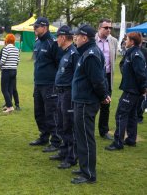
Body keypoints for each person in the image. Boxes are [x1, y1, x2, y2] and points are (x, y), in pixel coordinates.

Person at [71, 24, 111, 184]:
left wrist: (103, 96)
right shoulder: (87, 52)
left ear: (84, 37)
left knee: (86, 138)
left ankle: (88, 174)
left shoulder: (91, 55)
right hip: (82, 100)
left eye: (77, 36)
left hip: (86, 102)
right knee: (81, 137)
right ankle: (84, 167)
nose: (75, 38)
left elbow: (98, 80)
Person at [105, 32, 147, 151]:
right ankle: (131, 139)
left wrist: (144, 88)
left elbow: (141, 74)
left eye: (127, 39)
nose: (125, 42)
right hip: (131, 89)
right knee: (132, 115)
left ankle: (118, 142)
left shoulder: (136, 55)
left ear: (132, 42)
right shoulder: (131, 53)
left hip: (132, 90)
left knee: (120, 114)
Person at [28, 17, 62, 153]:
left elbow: (60, 64)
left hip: (50, 85)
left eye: (36, 26)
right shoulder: (37, 43)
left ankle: (56, 141)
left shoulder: (52, 43)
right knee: (39, 112)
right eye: (34, 27)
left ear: (45, 27)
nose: (34, 29)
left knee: (51, 114)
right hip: (38, 84)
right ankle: (43, 136)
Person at [49, 25, 79, 169]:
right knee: (61, 124)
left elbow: (76, 76)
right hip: (61, 93)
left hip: (68, 94)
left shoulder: (74, 53)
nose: (56, 40)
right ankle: (63, 151)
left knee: (68, 125)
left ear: (62, 37)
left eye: (57, 37)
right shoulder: (66, 53)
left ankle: (71, 157)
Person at [95, 18, 118, 140]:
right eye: (106, 27)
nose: (109, 30)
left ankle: (103, 131)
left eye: (110, 27)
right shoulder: (91, 40)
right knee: (92, 104)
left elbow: (113, 60)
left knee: (106, 104)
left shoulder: (114, 41)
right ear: (99, 28)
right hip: (94, 76)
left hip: (107, 76)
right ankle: (86, 129)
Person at [0, 33, 20, 113]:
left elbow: (2, 61)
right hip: (14, 71)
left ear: (6, 40)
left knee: (4, 89)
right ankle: (8, 105)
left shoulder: (5, 49)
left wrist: (1, 63)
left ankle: (10, 106)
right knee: (10, 89)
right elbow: (18, 61)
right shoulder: (16, 49)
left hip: (6, 71)